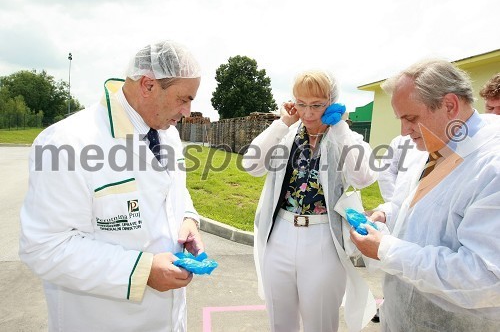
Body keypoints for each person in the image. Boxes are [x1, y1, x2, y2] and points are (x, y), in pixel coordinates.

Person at [19, 40, 204, 331]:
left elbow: (173, 192)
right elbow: (44, 247)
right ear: (148, 85)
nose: (188, 110)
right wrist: (140, 272)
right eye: (183, 99)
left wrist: (188, 219)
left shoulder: (167, 136)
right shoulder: (66, 144)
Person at [351, 59, 500, 331]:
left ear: (450, 105)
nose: (404, 132)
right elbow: (414, 208)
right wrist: (385, 214)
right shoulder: (435, 145)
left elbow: (487, 278)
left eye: (411, 118)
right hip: (400, 318)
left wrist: (385, 249)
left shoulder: (492, 166)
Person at [242, 70, 378, 332]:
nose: (307, 113)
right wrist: (282, 122)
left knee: (320, 323)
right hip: (279, 233)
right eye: (301, 104)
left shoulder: (343, 137)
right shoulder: (286, 134)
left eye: (317, 105)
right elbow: (251, 164)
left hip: (323, 237)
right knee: (280, 322)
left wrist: (338, 126)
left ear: (332, 103)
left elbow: (364, 177)